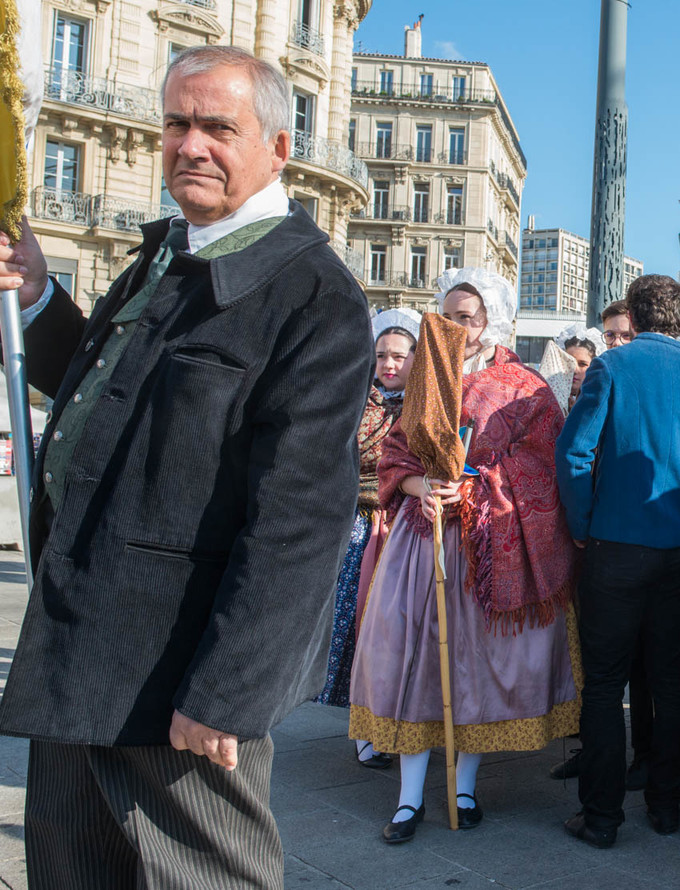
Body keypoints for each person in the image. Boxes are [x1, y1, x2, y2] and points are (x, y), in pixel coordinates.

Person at [0, 46, 372, 886]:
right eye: (176, 122)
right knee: (70, 870)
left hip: (176, 674)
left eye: (217, 127)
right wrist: (39, 301)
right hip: (77, 644)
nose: (190, 144)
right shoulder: (169, 250)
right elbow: (114, 397)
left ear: (279, 148)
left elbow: (300, 521)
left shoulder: (312, 294)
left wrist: (229, 693)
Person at [348, 268, 580, 843]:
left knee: (471, 664)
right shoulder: (429, 375)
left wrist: (476, 485)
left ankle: (464, 787)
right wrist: (415, 486)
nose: (458, 326)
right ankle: (407, 800)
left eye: (468, 317)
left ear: (490, 320)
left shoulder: (521, 384)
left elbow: (541, 466)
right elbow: (396, 454)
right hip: (420, 540)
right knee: (412, 656)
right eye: (449, 314)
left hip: (483, 546)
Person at [556, 274, 680, 847]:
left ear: (632, 315)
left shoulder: (614, 365)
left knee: (606, 682)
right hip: (676, 546)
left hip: (614, 543)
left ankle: (603, 815)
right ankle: (665, 803)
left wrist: (583, 524)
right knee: (668, 676)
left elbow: (575, 452)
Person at [314, 308, 422, 772]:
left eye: (399, 356)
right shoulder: (357, 401)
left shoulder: (429, 405)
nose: (389, 365)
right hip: (363, 531)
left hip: (410, 530)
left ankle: (404, 724)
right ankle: (364, 732)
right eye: (381, 356)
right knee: (362, 631)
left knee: (406, 636)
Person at [558, 321, 607, 410]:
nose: (574, 370)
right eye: (569, 363)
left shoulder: (599, 403)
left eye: (582, 364)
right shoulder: (551, 398)